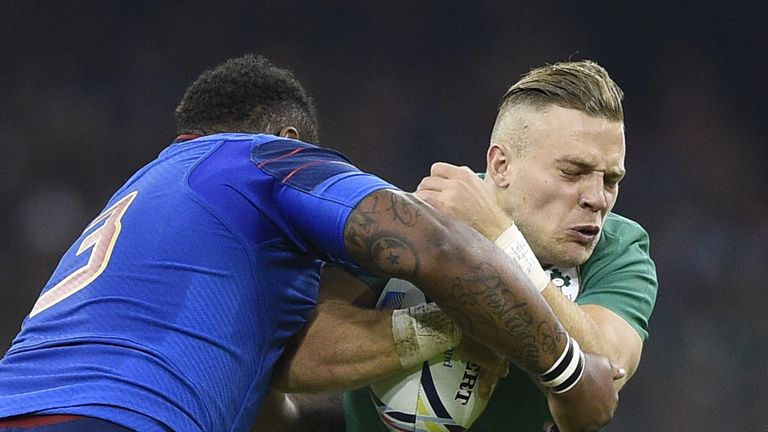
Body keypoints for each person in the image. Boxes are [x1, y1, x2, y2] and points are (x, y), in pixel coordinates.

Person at [0, 55, 622, 432]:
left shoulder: (147, 198)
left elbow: (271, 395)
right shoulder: (260, 160)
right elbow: (436, 244)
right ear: (292, 138)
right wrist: (565, 370)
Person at [267, 60, 658, 432]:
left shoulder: (619, 247)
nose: (597, 198)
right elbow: (298, 354)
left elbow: (602, 376)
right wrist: (455, 321)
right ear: (501, 166)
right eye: (572, 172)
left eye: (610, 179)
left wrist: (502, 242)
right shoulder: (419, 219)